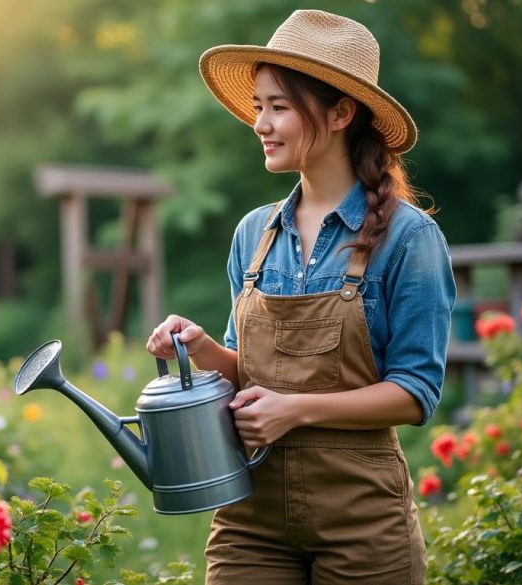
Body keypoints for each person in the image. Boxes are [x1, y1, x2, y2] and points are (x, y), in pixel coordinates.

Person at [145, 9, 456, 584]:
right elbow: (249, 373)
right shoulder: (253, 235)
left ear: (340, 113)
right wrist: (202, 347)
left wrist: (297, 410)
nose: (260, 123)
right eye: (259, 105)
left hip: (361, 522)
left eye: (278, 107)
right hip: (249, 517)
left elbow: (415, 393)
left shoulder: (409, 239)